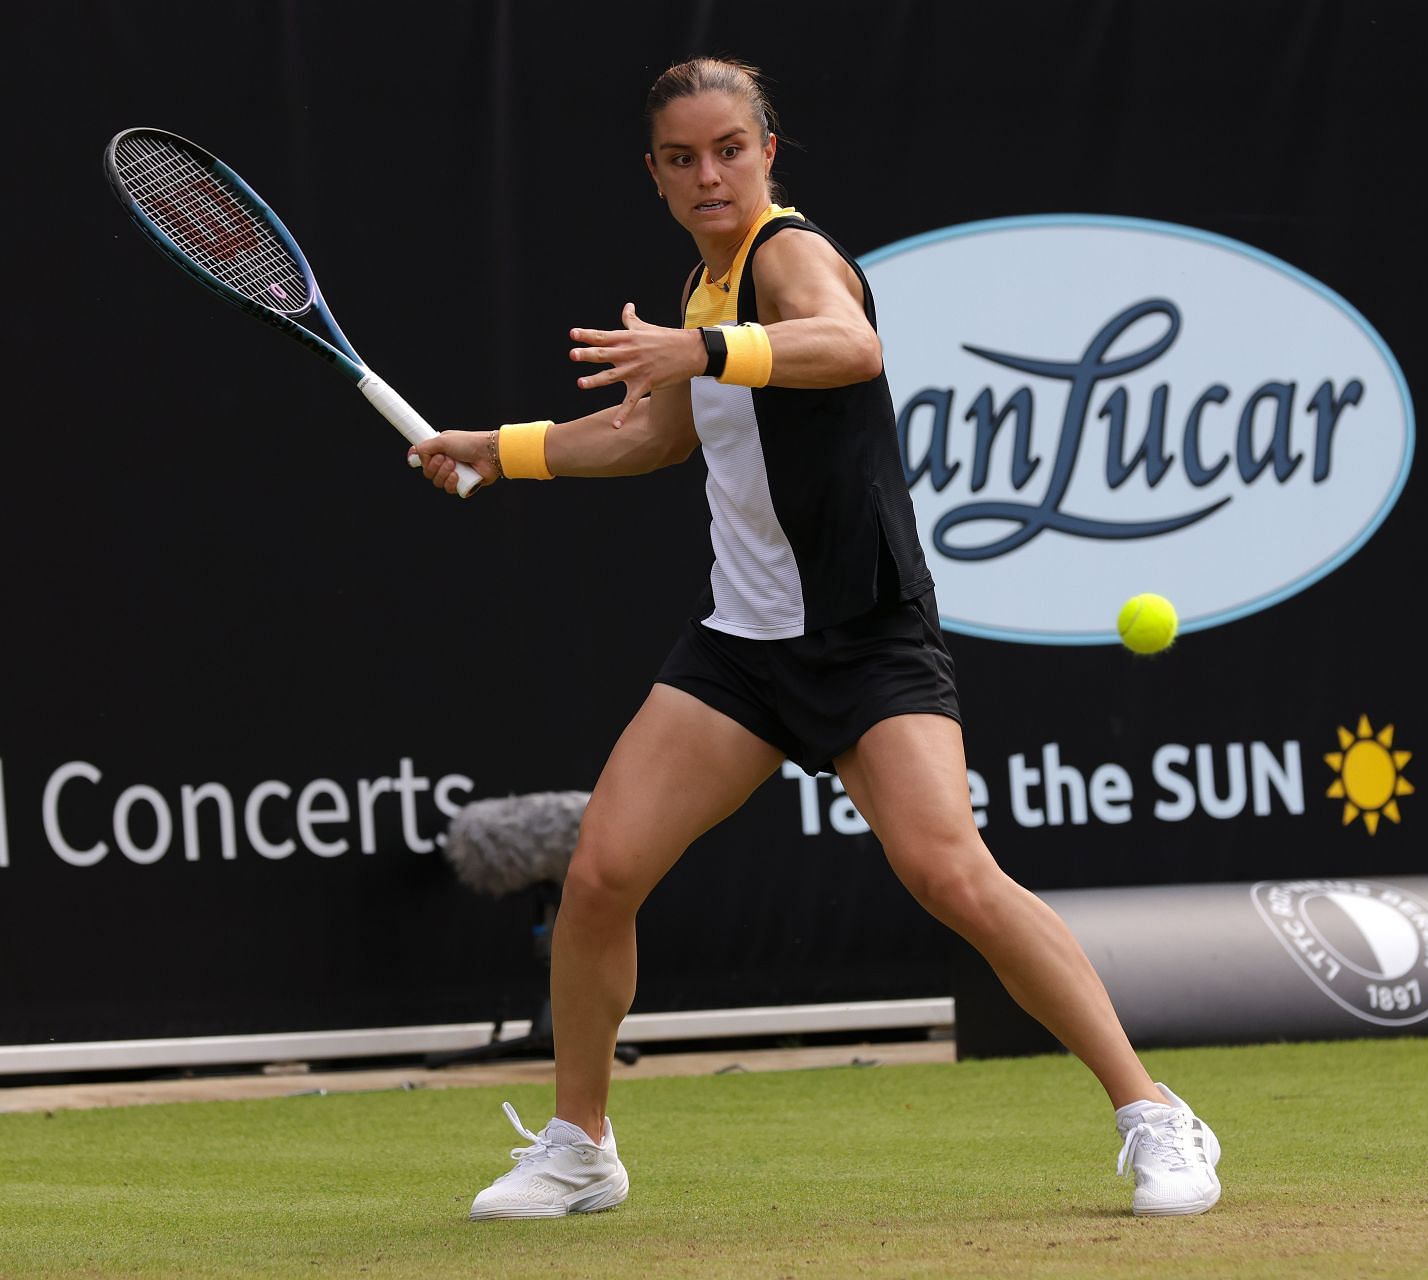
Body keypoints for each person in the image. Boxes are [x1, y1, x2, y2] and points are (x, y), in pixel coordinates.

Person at [412, 56, 1222, 1222]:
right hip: (742, 649)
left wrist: (706, 351)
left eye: (729, 149)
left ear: (768, 153)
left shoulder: (791, 254)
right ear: (653, 172)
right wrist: (502, 443)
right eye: (682, 158)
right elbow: (653, 439)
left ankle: (1154, 1111)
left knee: (949, 872)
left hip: (867, 635)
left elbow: (849, 345)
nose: (709, 174)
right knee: (600, 874)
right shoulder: (700, 291)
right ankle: (581, 1144)